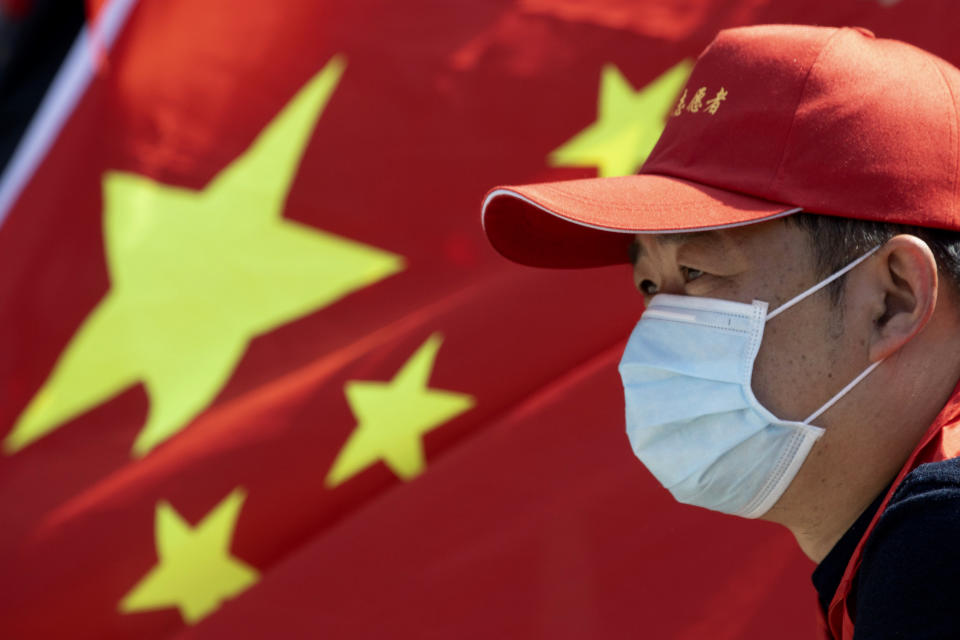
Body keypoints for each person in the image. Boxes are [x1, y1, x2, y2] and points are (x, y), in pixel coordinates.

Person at [481, 24, 960, 639]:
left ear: (893, 299)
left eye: (697, 271)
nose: (657, 332)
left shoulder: (940, 545)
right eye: (650, 286)